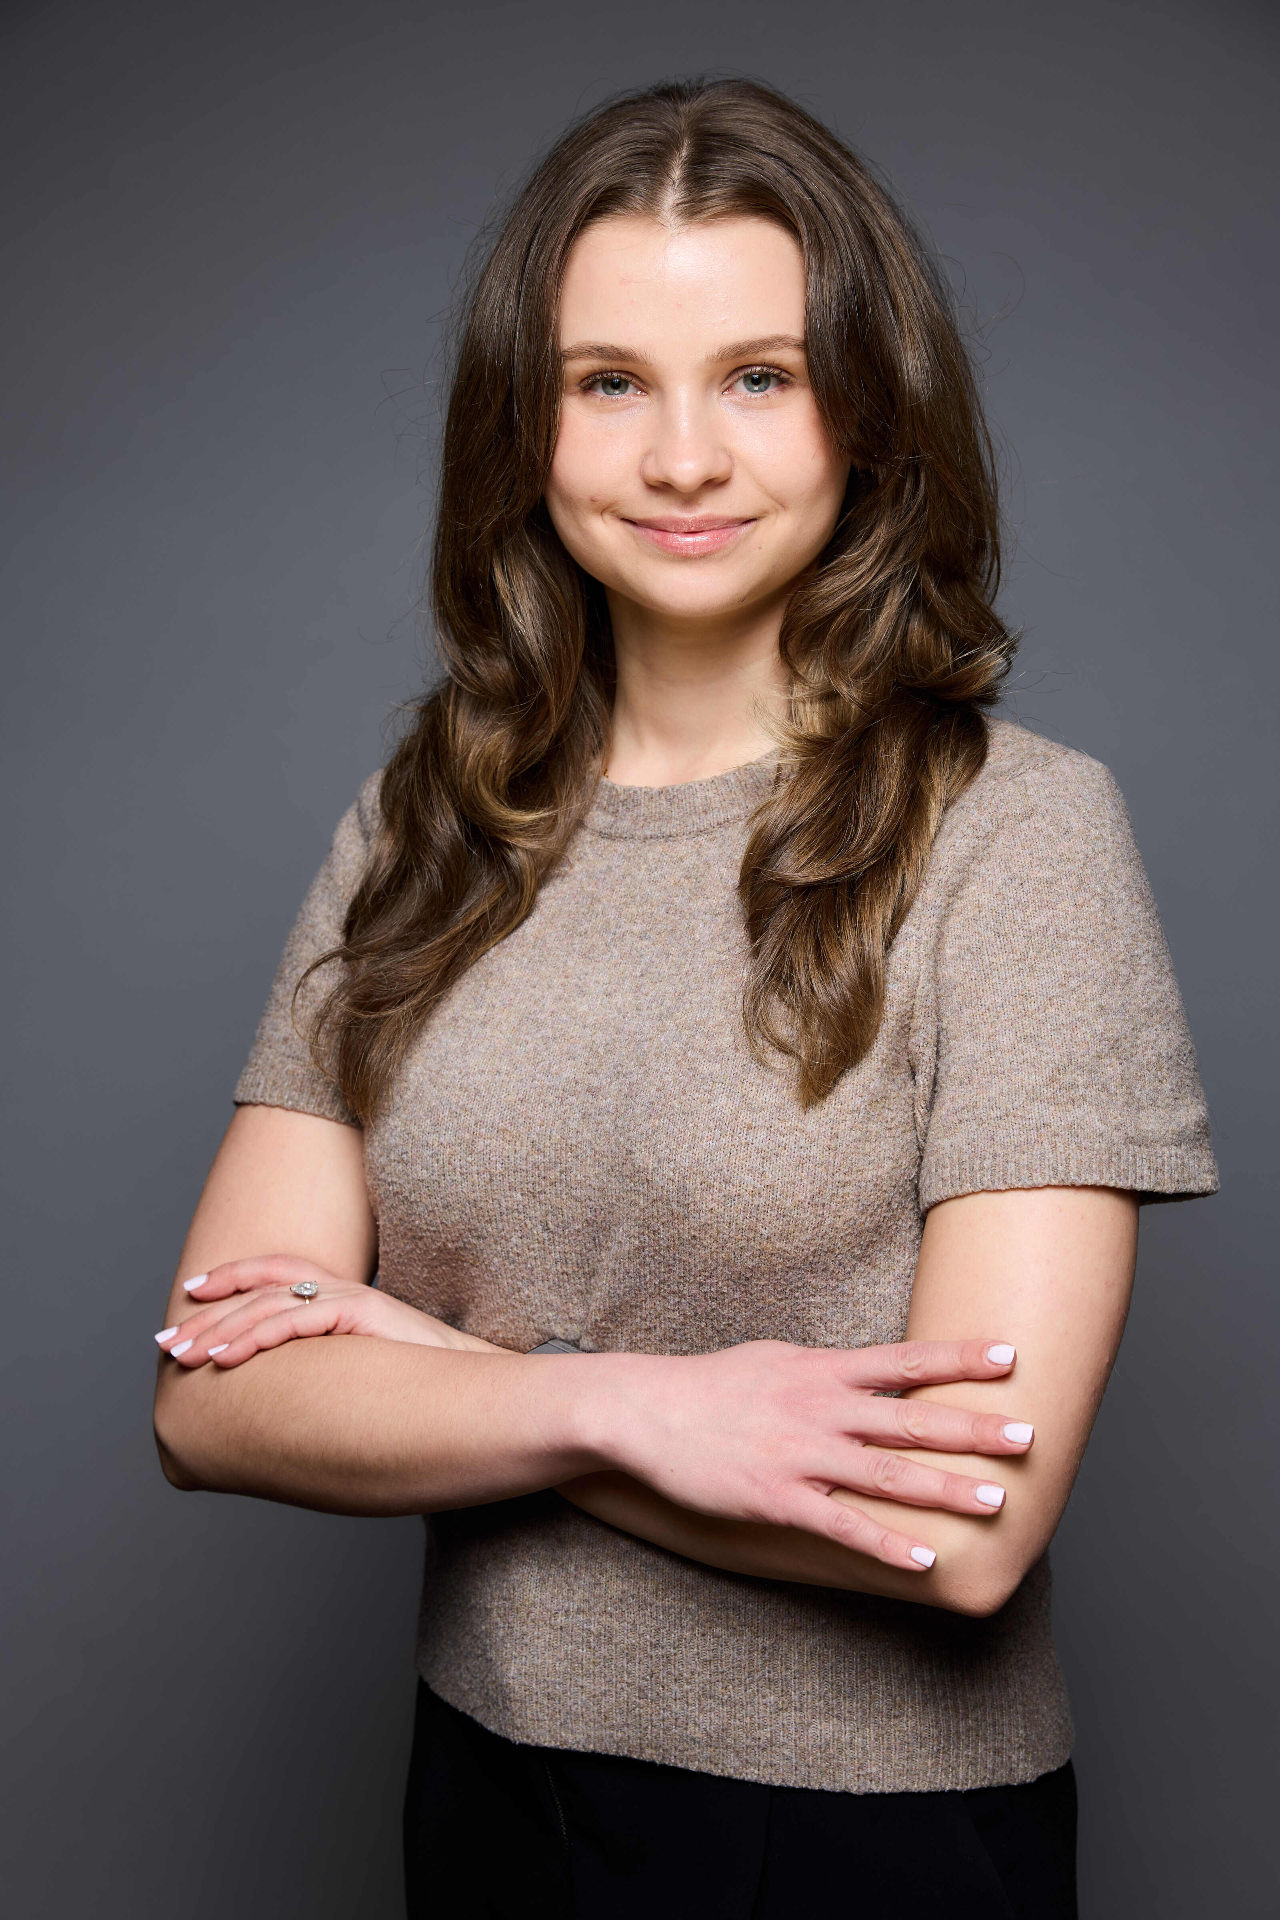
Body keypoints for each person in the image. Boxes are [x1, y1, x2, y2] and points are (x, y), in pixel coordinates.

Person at [152, 78, 1216, 1918]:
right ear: (527, 423)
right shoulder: (428, 824)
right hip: (487, 1794)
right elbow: (214, 1402)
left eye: (759, 377)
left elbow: (960, 1530)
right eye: (609, 382)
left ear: (866, 411)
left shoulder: (1018, 835)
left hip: (863, 1841)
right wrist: (626, 1411)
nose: (682, 458)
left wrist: (456, 1374)